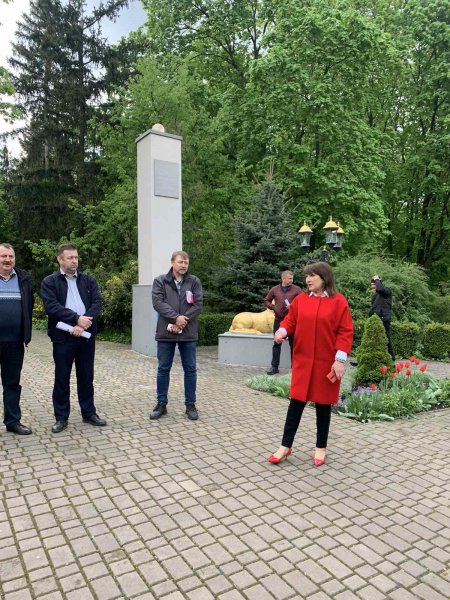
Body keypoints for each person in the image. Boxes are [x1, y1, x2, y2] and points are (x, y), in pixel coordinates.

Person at [267, 262, 353, 466]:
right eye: (306, 276)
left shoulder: (338, 302)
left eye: (312, 275)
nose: (308, 279)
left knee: (323, 406)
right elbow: (290, 321)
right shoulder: (301, 300)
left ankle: (321, 447)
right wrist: (281, 331)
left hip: (326, 363)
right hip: (303, 361)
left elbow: (345, 331)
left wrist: (340, 360)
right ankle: (285, 446)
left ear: (324, 278)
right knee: (295, 404)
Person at [41, 244, 106, 433]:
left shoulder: (88, 280)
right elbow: (52, 307)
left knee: (86, 376)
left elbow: (97, 302)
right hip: (63, 337)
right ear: (60, 259)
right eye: (70, 258)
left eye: (76, 257)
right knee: (62, 377)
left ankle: (89, 413)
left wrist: (83, 323)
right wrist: (76, 319)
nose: (74, 261)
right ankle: (61, 417)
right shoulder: (50, 282)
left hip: (85, 336)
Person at [151, 251, 203, 421]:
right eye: (180, 262)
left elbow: (198, 304)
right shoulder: (160, 281)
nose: (183, 265)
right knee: (163, 369)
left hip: (188, 332)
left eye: (186, 262)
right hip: (166, 332)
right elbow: (158, 303)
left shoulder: (194, 281)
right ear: (172, 262)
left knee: (190, 369)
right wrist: (176, 318)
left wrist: (182, 321)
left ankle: (190, 405)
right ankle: (161, 404)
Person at [0, 243, 34, 435]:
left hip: (14, 342)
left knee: (12, 384)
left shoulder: (23, 279)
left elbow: (29, 305)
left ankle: (13, 422)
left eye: (10, 256)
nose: (7, 260)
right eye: (3, 256)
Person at [264, 271, 301, 375]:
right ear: (283, 279)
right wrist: (273, 307)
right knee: (276, 344)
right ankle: (274, 367)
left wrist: (293, 306)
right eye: (289, 278)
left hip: (293, 322)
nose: (292, 280)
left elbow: (304, 302)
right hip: (279, 321)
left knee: (293, 345)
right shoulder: (274, 289)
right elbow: (266, 301)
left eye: (292, 278)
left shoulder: (297, 290)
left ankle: (295, 369)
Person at [369, 275, 395, 360]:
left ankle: (391, 358)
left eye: (374, 284)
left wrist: (377, 279)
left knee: (386, 338)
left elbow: (380, 289)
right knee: (371, 339)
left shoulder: (387, 291)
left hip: (384, 318)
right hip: (375, 319)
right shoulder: (376, 294)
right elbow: (373, 306)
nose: (373, 287)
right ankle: (367, 360)